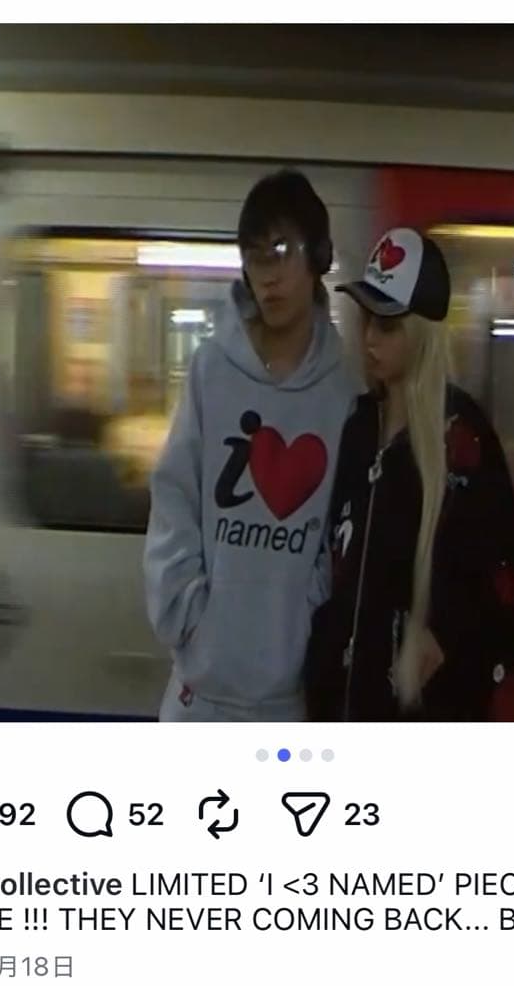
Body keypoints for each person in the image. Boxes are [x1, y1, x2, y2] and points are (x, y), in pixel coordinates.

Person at [144, 169, 358, 721]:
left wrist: (304, 622)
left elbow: (340, 535)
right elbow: (175, 495)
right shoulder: (212, 368)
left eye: (282, 251)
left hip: (288, 702)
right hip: (198, 699)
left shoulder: (346, 392)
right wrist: (189, 615)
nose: (268, 275)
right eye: (254, 256)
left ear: (319, 256)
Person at [305, 228, 514, 721]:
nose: (369, 338)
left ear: (422, 332)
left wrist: (444, 634)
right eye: (367, 319)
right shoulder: (358, 426)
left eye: (387, 325)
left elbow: (506, 572)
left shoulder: (463, 439)